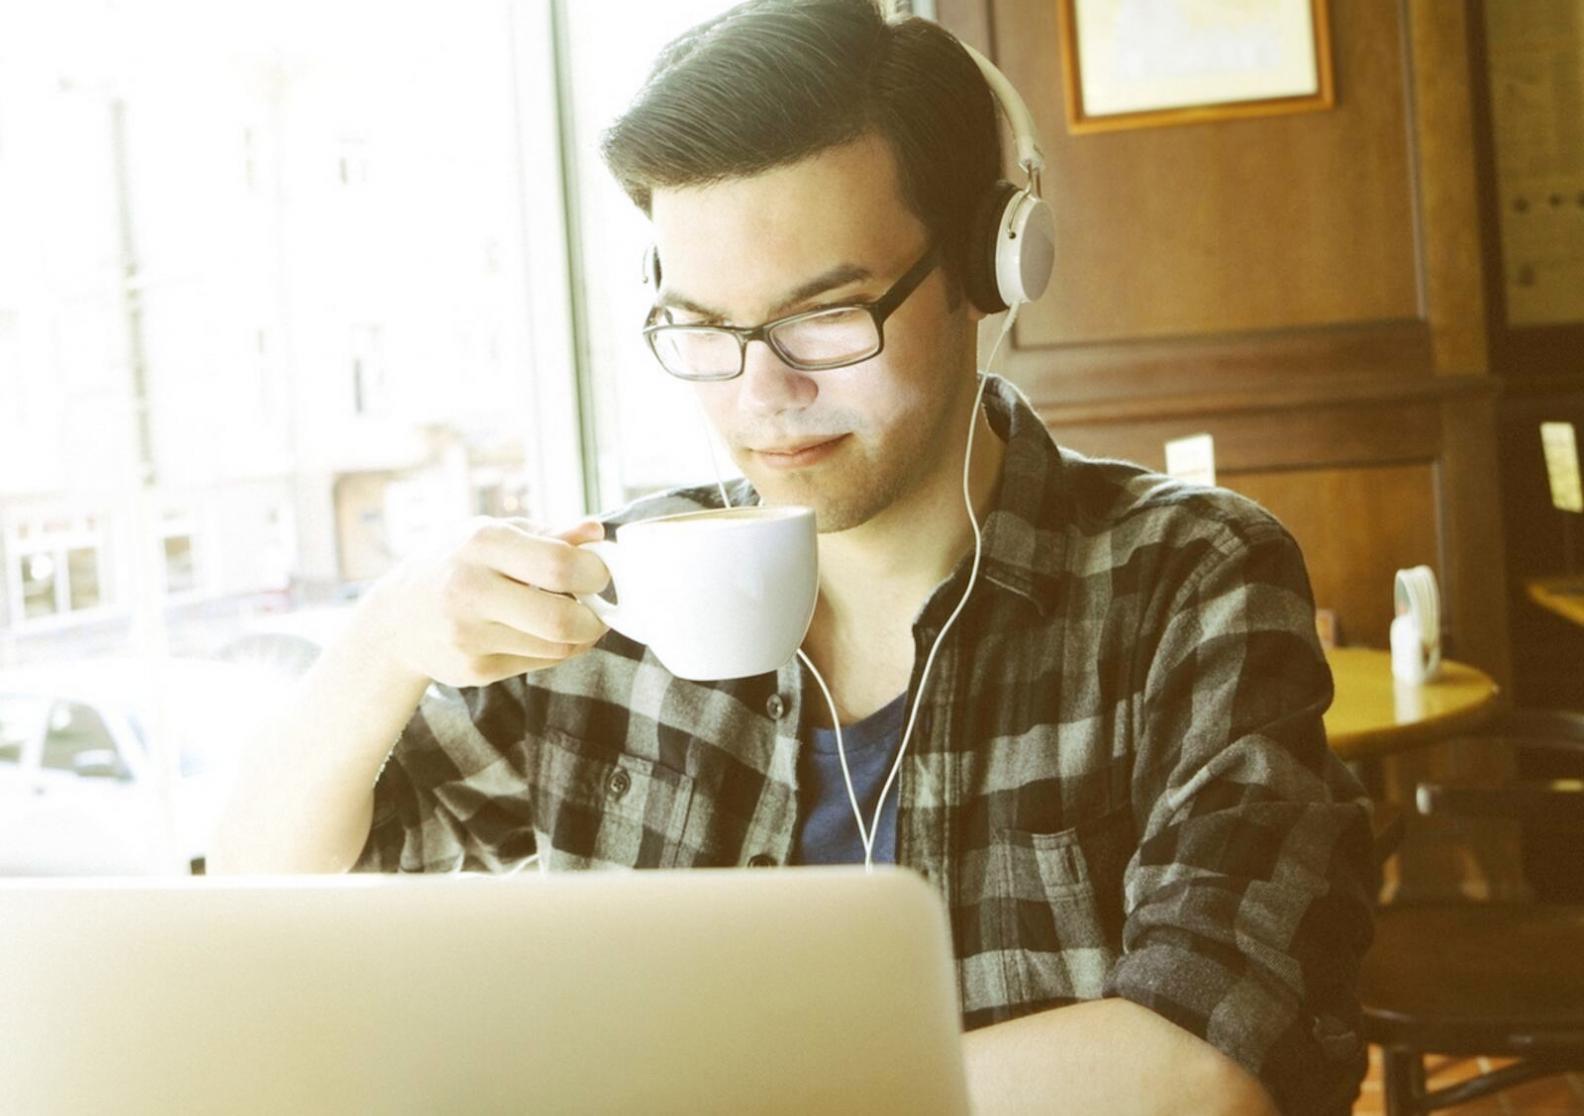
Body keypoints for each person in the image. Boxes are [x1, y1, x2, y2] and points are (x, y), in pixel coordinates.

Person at [211, 1, 1375, 1111]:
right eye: (704, 329)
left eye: (826, 315)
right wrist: (382, 643)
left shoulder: (1190, 578)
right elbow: (266, 901)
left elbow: (1211, 1062)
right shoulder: (613, 601)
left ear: (991, 268)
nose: (764, 396)